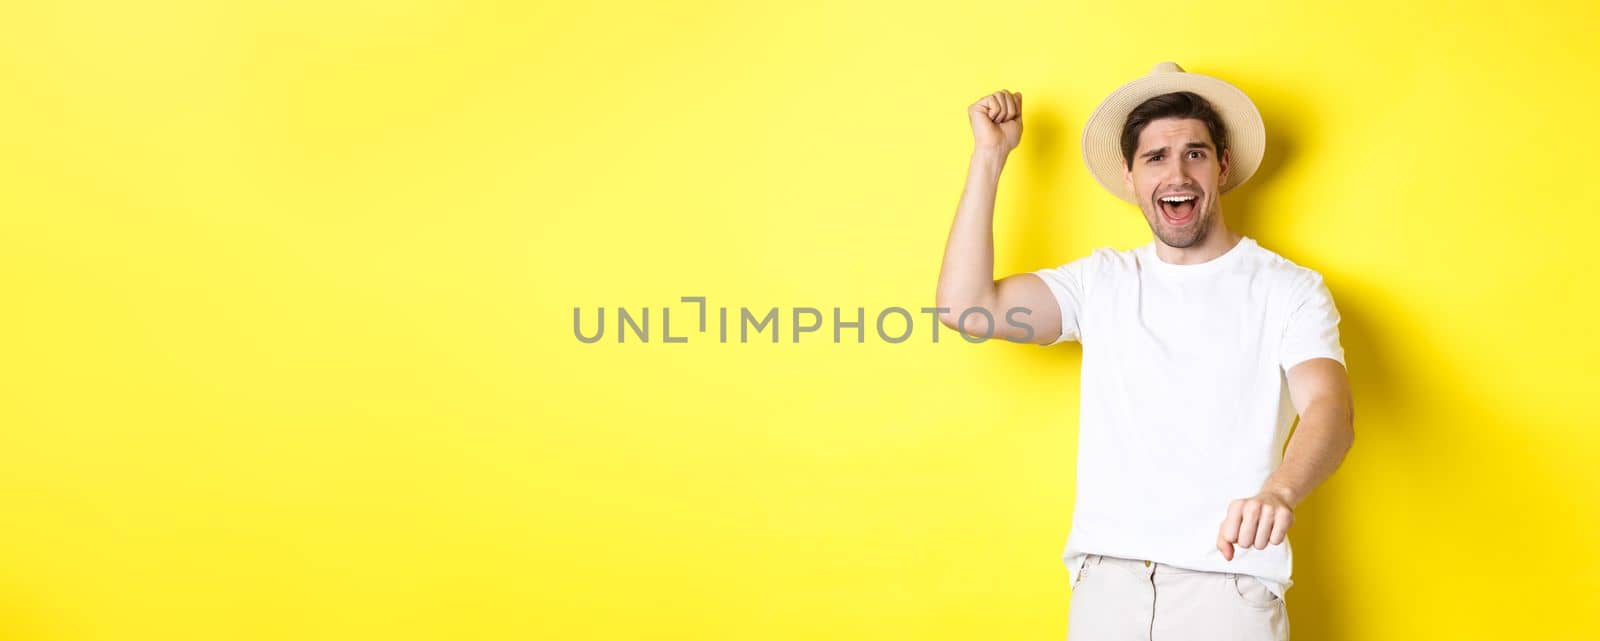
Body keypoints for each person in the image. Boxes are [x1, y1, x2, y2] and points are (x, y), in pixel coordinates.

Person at [934, 62, 1355, 641]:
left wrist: (1280, 491)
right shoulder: (1100, 283)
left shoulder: (1288, 288)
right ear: (1130, 178)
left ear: (1222, 166)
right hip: (1108, 590)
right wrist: (991, 156)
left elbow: (1330, 406)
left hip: (1227, 588)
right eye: (1155, 157)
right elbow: (966, 308)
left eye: (1195, 153)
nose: (1176, 172)